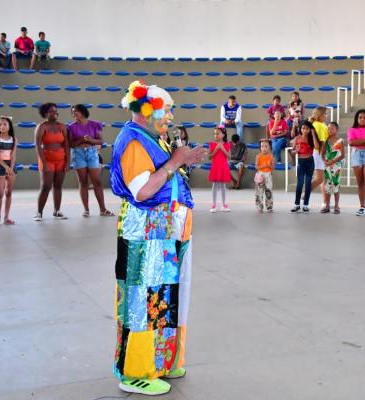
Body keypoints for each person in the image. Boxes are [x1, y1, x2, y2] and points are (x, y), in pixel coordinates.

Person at [110, 80, 207, 396]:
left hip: (168, 231)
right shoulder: (134, 141)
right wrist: (177, 161)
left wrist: (184, 160)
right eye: (167, 110)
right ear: (148, 110)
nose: (171, 116)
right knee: (143, 299)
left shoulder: (155, 139)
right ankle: (136, 371)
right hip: (147, 234)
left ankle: (162, 360)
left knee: (166, 297)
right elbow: (143, 190)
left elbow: (166, 172)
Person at [68, 104, 114, 217]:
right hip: (78, 154)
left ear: (83, 112)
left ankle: (103, 209)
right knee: (83, 182)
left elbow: (100, 141)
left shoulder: (95, 124)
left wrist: (91, 140)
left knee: (97, 182)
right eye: (72, 112)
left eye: (76, 112)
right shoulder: (71, 127)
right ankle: (86, 210)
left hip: (92, 153)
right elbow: (71, 144)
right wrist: (80, 140)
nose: (74, 114)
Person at [34, 102, 69, 221]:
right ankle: (39, 212)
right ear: (45, 114)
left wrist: (68, 161)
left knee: (58, 186)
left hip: (61, 159)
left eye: (55, 111)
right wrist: (43, 162)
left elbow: (67, 144)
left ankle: (57, 211)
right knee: (45, 186)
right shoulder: (41, 126)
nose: (54, 113)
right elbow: (38, 145)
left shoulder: (62, 126)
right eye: (51, 111)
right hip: (46, 159)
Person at [0, 116, 17, 225]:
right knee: (0, 193)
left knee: (9, 192)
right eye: (0, 124)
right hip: (0, 165)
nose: (2, 126)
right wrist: (6, 167)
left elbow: (13, 154)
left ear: (9, 126)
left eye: (4, 124)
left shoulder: (14, 139)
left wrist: (11, 167)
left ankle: (6, 217)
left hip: (11, 165)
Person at [290, 121, 319, 213]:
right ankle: (297, 204)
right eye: (303, 128)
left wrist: (313, 134)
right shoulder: (297, 138)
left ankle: (306, 205)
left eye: (307, 129)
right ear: (300, 129)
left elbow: (317, 146)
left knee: (308, 184)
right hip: (301, 162)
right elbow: (292, 151)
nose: (305, 130)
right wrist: (295, 151)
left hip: (310, 162)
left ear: (310, 129)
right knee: (299, 183)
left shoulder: (311, 138)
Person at [322, 122, 345, 214]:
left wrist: (333, 161)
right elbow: (322, 153)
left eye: (332, 128)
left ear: (336, 129)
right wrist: (325, 161)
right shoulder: (326, 141)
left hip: (336, 166)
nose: (330, 130)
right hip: (327, 165)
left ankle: (336, 206)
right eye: (328, 128)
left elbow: (343, 155)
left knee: (336, 184)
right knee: (327, 186)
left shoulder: (340, 141)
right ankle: (327, 205)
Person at [209, 126, 232, 212]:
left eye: (217, 133)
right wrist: (216, 149)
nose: (215, 135)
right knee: (214, 185)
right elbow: (210, 157)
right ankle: (214, 204)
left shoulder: (227, 144)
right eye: (214, 134)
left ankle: (224, 204)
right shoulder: (212, 144)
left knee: (223, 186)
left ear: (223, 134)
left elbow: (229, 157)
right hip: (215, 167)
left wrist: (222, 149)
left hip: (223, 167)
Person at [309, 106, 329, 206]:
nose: (327, 115)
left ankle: (325, 201)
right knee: (320, 178)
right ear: (320, 116)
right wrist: (323, 156)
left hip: (320, 153)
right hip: (319, 153)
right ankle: (304, 195)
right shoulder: (319, 126)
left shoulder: (320, 124)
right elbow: (321, 143)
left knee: (323, 179)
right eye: (325, 114)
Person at [254, 139, 274, 213]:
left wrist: (270, 165)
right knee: (259, 191)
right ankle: (259, 206)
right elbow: (256, 166)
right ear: (260, 148)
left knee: (269, 191)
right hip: (260, 175)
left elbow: (273, 167)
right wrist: (263, 165)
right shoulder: (258, 156)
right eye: (262, 146)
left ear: (270, 147)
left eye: (266, 146)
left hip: (268, 175)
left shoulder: (271, 156)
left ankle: (269, 206)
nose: (264, 148)